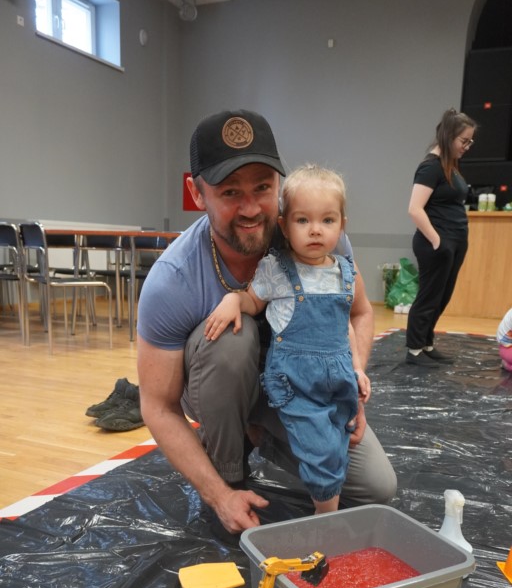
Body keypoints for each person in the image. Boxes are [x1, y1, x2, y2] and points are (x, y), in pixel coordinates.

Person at [137, 109, 396, 534]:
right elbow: (157, 406)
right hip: (218, 383)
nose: (251, 208)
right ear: (197, 193)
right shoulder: (173, 280)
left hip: (301, 388)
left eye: (262, 187)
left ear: (279, 182)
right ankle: (230, 468)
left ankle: (262, 431)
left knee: (376, 487)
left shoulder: (318, 240)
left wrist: (352, 383)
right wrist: (218, 495)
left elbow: (359, 311)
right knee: (232, 340)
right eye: (230, 192)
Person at [205, 164, 370, 515]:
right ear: (284, 225)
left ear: (342, 225)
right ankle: (325, 516)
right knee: (320, 451)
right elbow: (253, 301)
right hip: (297, 382)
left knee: (338, 442)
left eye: (327, 220)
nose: (315, 230)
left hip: (339, 380)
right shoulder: (277, 269)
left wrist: (357, 369)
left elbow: (346, 325)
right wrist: (235, 300)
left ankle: (319, 489)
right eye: (302, 220)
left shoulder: (346, 272)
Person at [405, 108, 477, 367]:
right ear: (448, 137)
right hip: (437, 243)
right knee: (429, 296)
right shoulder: (430, 167)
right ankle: (414, 350)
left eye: (470, 141)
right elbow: (415, 209)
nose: (467, 146)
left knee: (442, 296)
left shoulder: (450, 166)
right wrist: (437, 241)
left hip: (454, 241)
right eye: (464, 141)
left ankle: (426, 343)